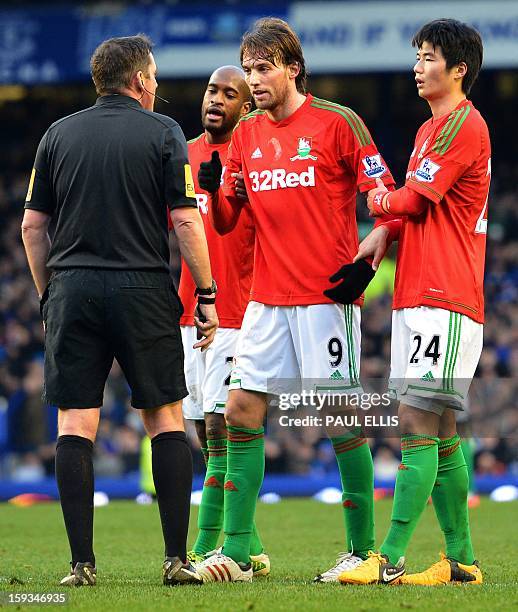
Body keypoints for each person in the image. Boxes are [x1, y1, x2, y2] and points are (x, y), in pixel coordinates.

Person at [194, 17, 395, 583]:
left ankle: (362, 551)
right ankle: (235, 552)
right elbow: (233, 220)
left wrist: (372, 250)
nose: (254, 81)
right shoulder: (247, 134)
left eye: (264, 69)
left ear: (292, 68)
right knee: (238, 411)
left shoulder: (337, 123)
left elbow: (383, 195)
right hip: (266, 299)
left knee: (337, 416)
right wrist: (215, 188)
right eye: (250, 69)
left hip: (325, 298)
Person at [21, 34, 218, 587]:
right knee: (164, 418)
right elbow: (184, 221)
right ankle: (176, 560)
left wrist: (48, 295)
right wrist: (205, 294)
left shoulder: (57, 135)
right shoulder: (163, 132)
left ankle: (81, 565)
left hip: (72, 286)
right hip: (143, 288)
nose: (156, 86)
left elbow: (33, 228)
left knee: (76, 423)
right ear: (139, 81)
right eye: (153, 77)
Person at [338, 19, 488, 586]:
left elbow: (412, 198)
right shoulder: (431, 130)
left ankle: (389, 556)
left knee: (418, 421)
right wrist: (385, 232)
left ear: (459, 70)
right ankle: (462, 563)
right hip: (420, 291)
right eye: (417, 55)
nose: (417, 65)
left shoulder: (461, 125)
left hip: (444, 294)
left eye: (429, 57)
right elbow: (413, 208)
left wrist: (376, 201)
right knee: (442, 427)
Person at [171, 65, 270, 575]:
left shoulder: (253, 153)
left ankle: (213, 547)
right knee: (200, 433)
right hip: (190, 311)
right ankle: (247, 542)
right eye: (212, 89)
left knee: (221, 427)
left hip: (237, 309)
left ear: (245, 107)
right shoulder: (181, 154)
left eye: (231, 94)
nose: (217, 99)